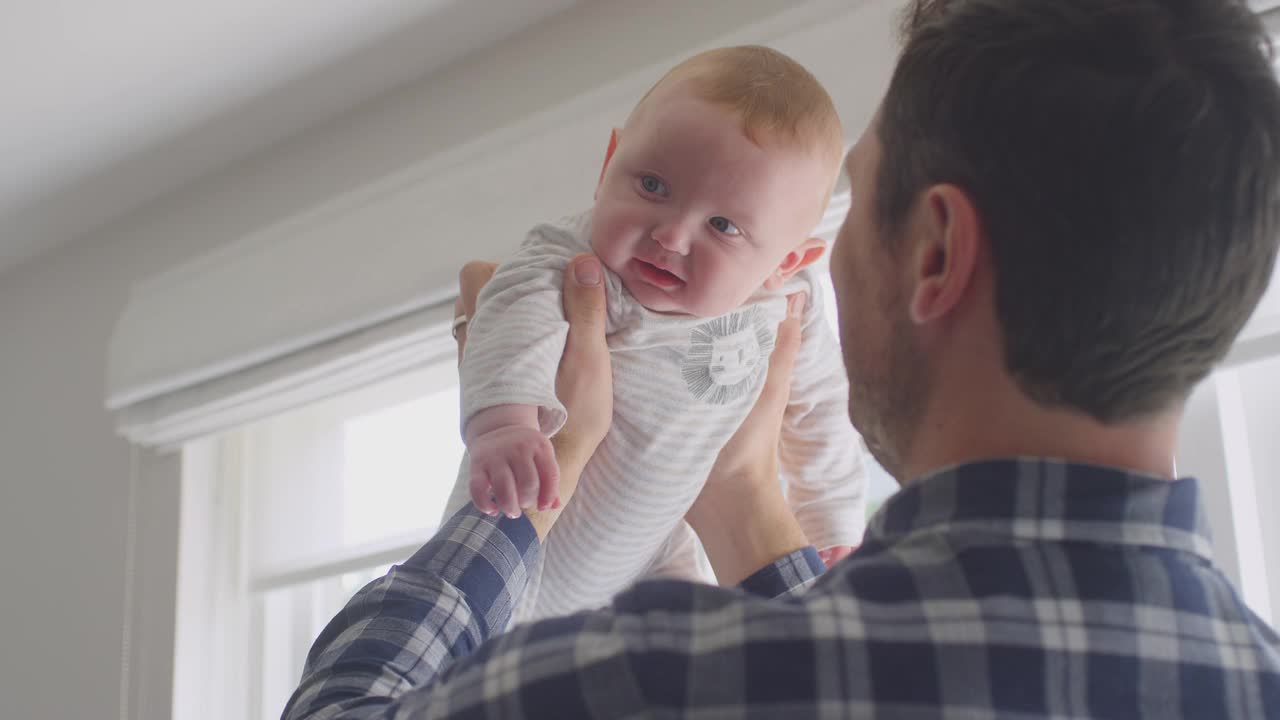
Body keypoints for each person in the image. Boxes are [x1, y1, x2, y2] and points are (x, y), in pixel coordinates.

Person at [284, 0, 1280, 717]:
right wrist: (753, 509)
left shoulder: (651, 680)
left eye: (849, 205)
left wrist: (531, 494)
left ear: (932, 251)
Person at [447, 45, 867, 622]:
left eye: (722, 226)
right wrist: (504, 424)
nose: (671, 236)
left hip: (655, 548)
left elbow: (820, 405)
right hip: (533, 527)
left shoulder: (787, 301)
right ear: (608, 164)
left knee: (682, 656)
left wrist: (832, 519)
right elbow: (512, 314)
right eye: (652, 186)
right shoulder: (577, 259)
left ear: (788, 259)